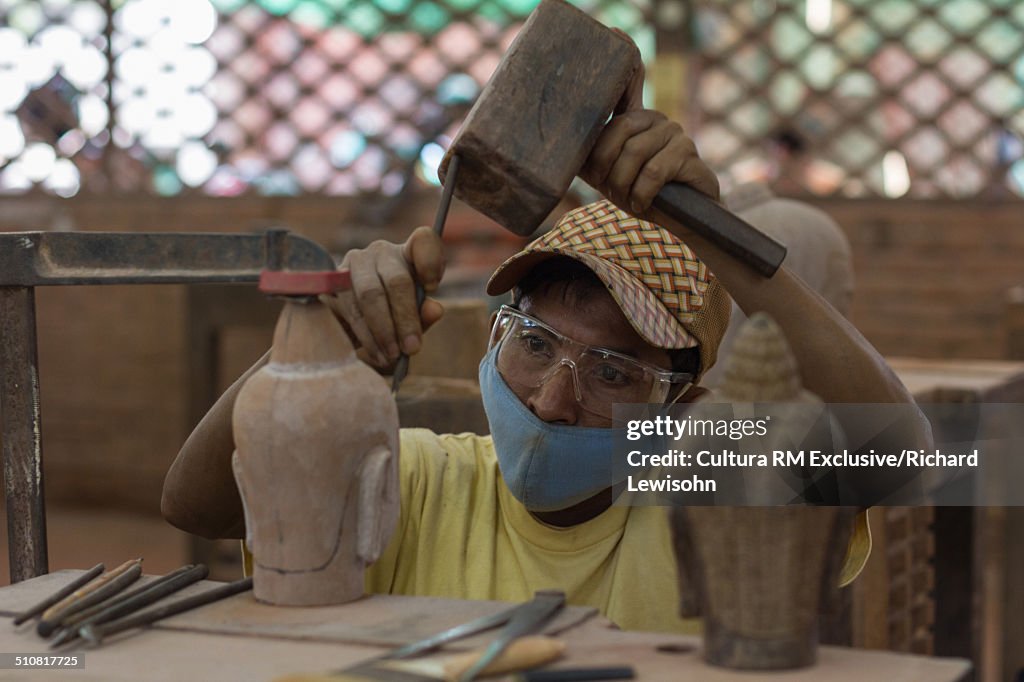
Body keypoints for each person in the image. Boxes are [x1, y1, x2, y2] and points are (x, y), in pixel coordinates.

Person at [162, 84, 930, 634]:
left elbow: (900, 461)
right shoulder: (417, 480)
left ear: (680, 411)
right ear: (496, 339)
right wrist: (325, 339)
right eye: (534, 345)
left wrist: (709, 231)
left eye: (613, 373)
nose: (551, 401)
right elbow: (199, 506)